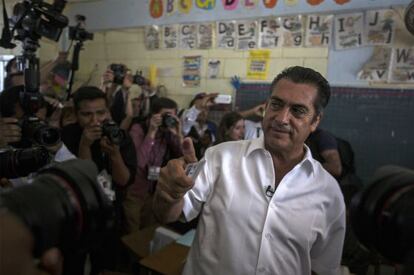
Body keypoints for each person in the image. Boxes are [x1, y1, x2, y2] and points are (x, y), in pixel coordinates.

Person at [153, 66, 346, 275]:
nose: (281, 118)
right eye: (276, 104)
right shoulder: (220, 158)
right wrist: (169, 195)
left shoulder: (328, 193)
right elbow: (168, 215)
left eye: (298, 110)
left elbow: (323, 267)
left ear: (315, 121)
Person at [60, 86, 136, 274]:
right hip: (76, 212)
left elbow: (124, 181)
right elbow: (81, 181)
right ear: (77, 114)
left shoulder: (119, 136)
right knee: (73, 263)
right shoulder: (67, 135)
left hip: (109, 210)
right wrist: (85, 144)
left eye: (101, 113)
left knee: (105, 263)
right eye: (87, 114)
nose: (95, 120)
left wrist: (115, 155)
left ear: (108, 112)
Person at [126, 97, 183, 232]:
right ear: (153, 115)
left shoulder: (168, 133)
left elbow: (183, 155)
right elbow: (139, 162)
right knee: (131, 233)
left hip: (154, 192)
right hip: (135, 192)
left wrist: (178, 134)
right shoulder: (138, 129)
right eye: (165, 116)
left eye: (172, 116)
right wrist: (151, 132)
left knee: (149, 232)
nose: (168, 119)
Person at [180, 92, 218, 159]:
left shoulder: (212, 127)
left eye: (206, 109)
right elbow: (188, 120)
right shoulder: (186, 125)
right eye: (200, 108)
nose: (202, 111)